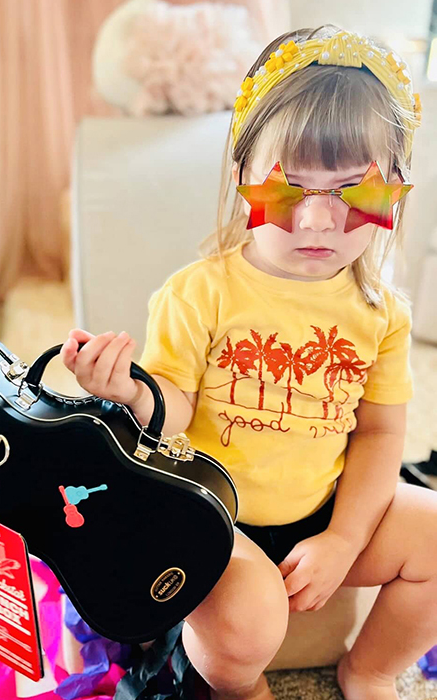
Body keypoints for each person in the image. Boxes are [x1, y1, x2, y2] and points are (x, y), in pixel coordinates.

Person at [60, 24, 437, 700]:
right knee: (246, 619)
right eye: (289, 191)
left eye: (354, 193)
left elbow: (381, 434)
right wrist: (133, 395)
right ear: (242, 181)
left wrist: (346, 541)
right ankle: (239, 688)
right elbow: (173, 405)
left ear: (394, 193)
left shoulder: (382, 312)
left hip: (323, 504)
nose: (319, 221)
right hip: (212, 515)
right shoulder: (199, 292)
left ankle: (373, 668)